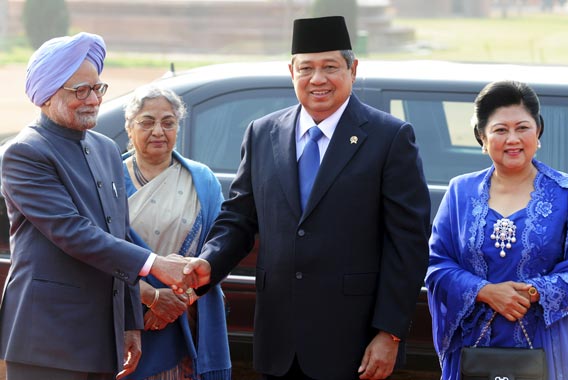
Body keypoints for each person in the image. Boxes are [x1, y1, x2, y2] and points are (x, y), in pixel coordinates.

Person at [184, 16, 431, 380]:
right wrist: (208, 262)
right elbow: (239, 218)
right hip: (278, 339)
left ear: (352, 68)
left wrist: (389, 332)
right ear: (291, 71)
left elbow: (407, 244)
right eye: (307, 68)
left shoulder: (389, 138)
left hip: (353, 343)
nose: (318, 79)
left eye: (330, 67)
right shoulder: (262, 133)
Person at [0, 32, 201, 380]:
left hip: (101, 339)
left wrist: (129, 324)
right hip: (47, 340)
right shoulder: (25, 154)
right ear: (47, 94)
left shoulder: (106, 148)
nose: (93, 99)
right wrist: (156, 264)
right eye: (81, 91)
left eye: (97, 88)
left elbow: (117, 232)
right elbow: (74, 233)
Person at [425, 80, 568, 380]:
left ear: (538, 131)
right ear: (482, 136)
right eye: (500, 130)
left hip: (546, 347)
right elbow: (436, 265)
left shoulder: (567, 192)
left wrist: (532, 292)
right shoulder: (460, 192)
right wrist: (485, 292)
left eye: (522, 127)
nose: (513, 139)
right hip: (473, 347)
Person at [121, 85, 231, 380]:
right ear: (129, 128)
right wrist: (150, 297)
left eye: (168, 122)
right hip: (127, 317)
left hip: (187, 316)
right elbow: (98, 252)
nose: (158, 131)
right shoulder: (110, 180)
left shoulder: (202, 181)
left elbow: (220, 247)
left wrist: (180, 299)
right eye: (147, 122)